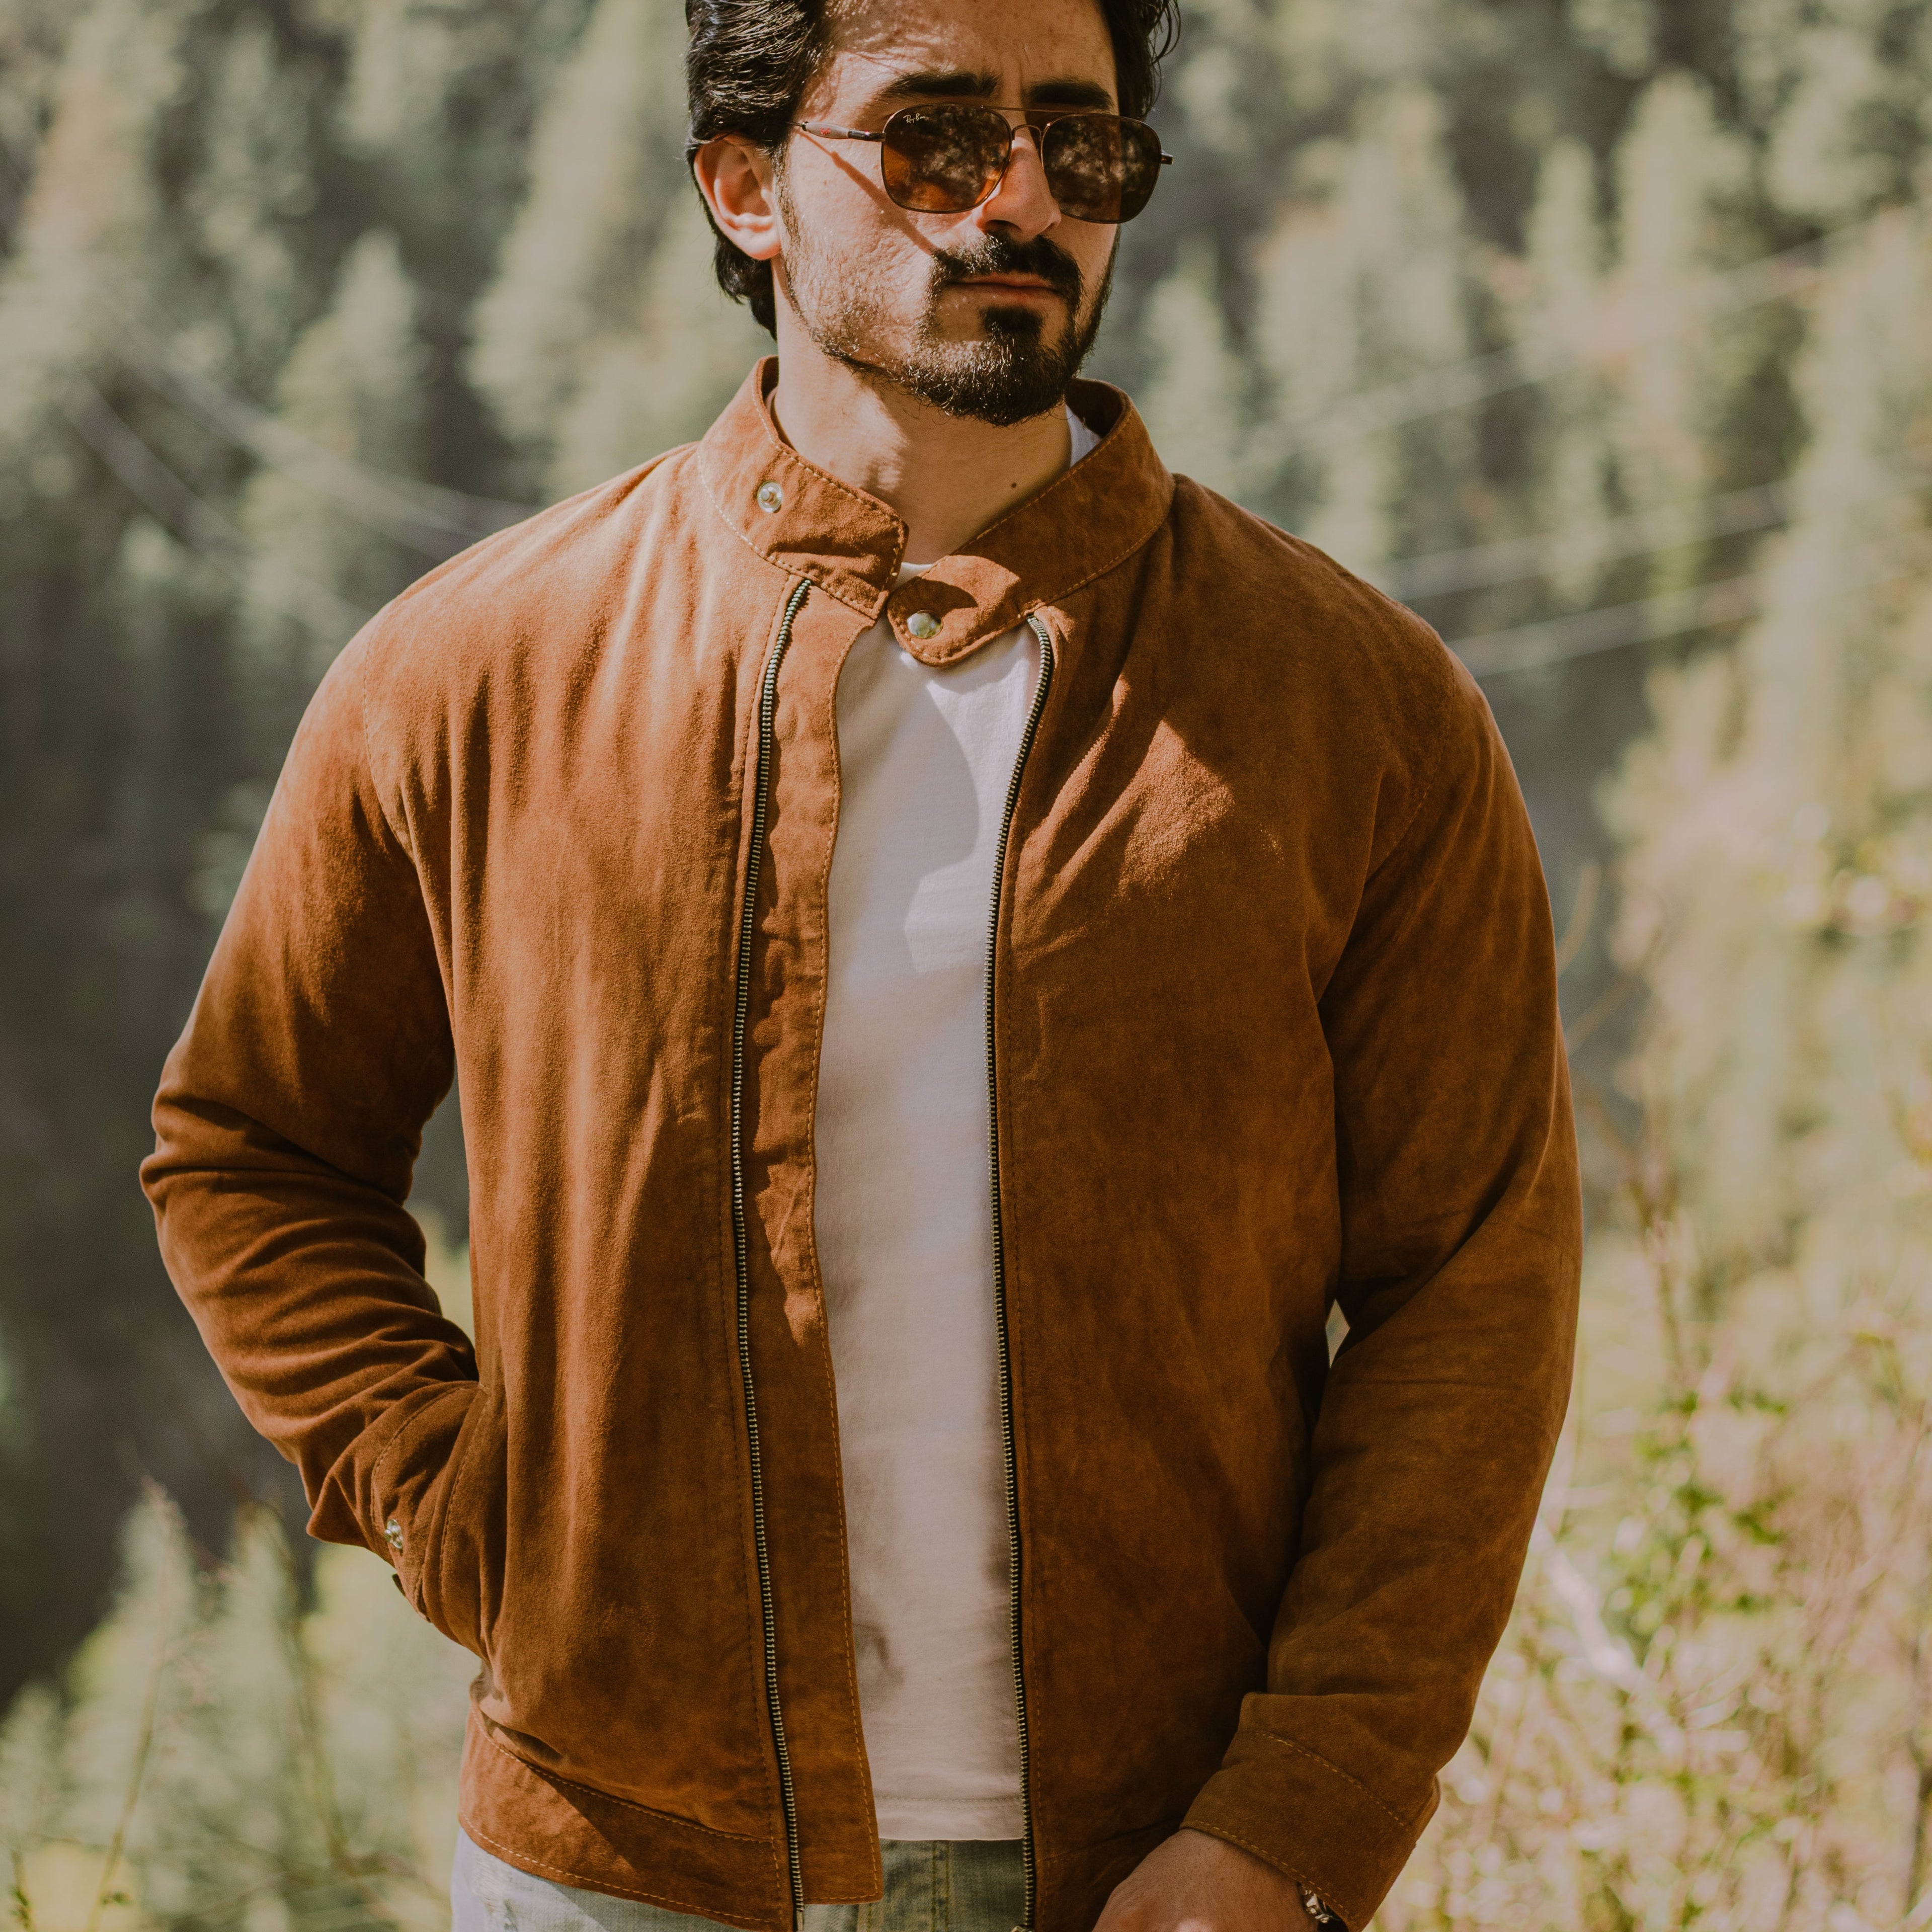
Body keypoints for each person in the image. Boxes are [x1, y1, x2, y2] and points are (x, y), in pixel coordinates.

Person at [141, 0, 1583, 1927]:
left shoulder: (1359, 711)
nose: (1020, 202)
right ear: (744, 187)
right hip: (620, 1861)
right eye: (931, 139)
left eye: (1083, 149)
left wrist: (1295, 1817)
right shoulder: (475, 674)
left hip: (1154, 1873)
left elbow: (1470, 1295)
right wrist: (477, 1516)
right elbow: (251, 1155)